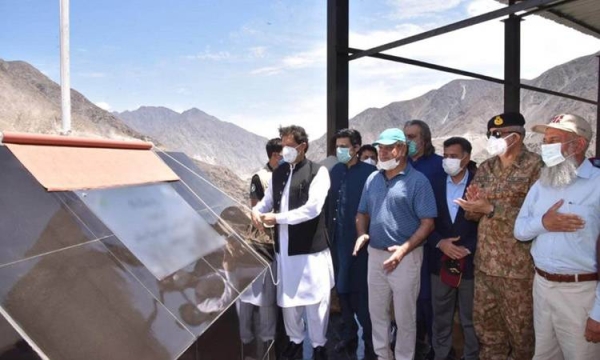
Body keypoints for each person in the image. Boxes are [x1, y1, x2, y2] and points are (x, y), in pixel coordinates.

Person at [455, 112, 543, 360]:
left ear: (515, 137)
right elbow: (477, 214)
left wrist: (491, 209)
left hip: (519, 272)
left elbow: (539, 217)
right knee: (488, 335)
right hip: (485, 268)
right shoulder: (486, 167)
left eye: (496, 135)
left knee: (523, 337)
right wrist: (472, 208)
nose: (491, 139)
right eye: (490, 134)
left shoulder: (536, 167)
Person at [514, 114, 600, 359]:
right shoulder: (542, 184)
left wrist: (599, 313)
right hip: (542, 287)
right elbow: (519, 231)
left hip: (581, 293)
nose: (546, 147)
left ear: (579, 144)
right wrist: (544, 223)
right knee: (544, 355)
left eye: (554, 140)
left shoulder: (597, 185)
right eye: (545, 140)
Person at [252, 125, 334, 360]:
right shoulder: (278, 173)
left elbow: (312, 209)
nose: (285, 150)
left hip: (310, 254)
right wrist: (256, 211)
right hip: (285, 253)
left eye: (289, 146)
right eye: (282, 145)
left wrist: (277, 218)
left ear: (302, 146)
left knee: (316, 304)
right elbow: (267, 201)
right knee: (289, 304)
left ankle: (319, 346)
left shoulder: (317, 172)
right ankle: (296, 343)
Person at [354, 128, 437, 360]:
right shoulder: (373, 178)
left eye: (387, 148)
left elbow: (428, 223)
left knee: (404, 317)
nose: (381, 152)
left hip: (406, 258)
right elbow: (362, 212)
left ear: (401, 149)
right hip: (375, 256)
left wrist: (402, 250)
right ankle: (383, 356)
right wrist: (361, 232)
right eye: (380, 147)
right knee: (377, 313)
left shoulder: (418, 181)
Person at [327, 129, 377, 359]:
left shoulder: (370, 174)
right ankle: (349, 334)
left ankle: (370, 342)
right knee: (342, 291)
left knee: (362, 295)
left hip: (361, 245)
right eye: (337, 146)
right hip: (337, 243)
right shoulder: (335, 171)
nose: (340, 151)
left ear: (357, 148)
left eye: (344, 146)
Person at [428, 137, 479, 360]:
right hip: (439, 263)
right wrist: (440, 243)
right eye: (445, 155)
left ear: (466, 158)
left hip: (470, 264)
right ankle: (441, 353)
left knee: (470, 318)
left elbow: (487, 223)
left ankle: (471, 355)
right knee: (440, 316)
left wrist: (467, 248)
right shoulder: (433, 183)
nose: (448, 160)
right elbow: (423, 220)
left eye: (453, 156)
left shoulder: (479, 184)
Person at [404, 119, 445, 360]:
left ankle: (433, 347)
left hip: (433, 242)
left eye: (413, 136)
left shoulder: (439, 166)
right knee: (407, 298)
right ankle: (411, 344)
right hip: (404, 244)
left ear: (425, 139)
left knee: (429, 299)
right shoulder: (401, 165)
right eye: (406, 136)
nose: (409, 141)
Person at [239, 138, 282, 358]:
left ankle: (268, 340)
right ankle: (254, 341)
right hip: (263, 244)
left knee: (270, 296)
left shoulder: (285, 174)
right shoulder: (261, 177)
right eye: (282, 154)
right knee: (263, 295)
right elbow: (255, 209)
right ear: (274, 155)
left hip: (280, 243)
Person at [250, 138, 282, 206]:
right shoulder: (259, 178)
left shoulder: (288, 174)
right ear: (275, 155)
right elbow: (255, 208)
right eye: (284, 154)